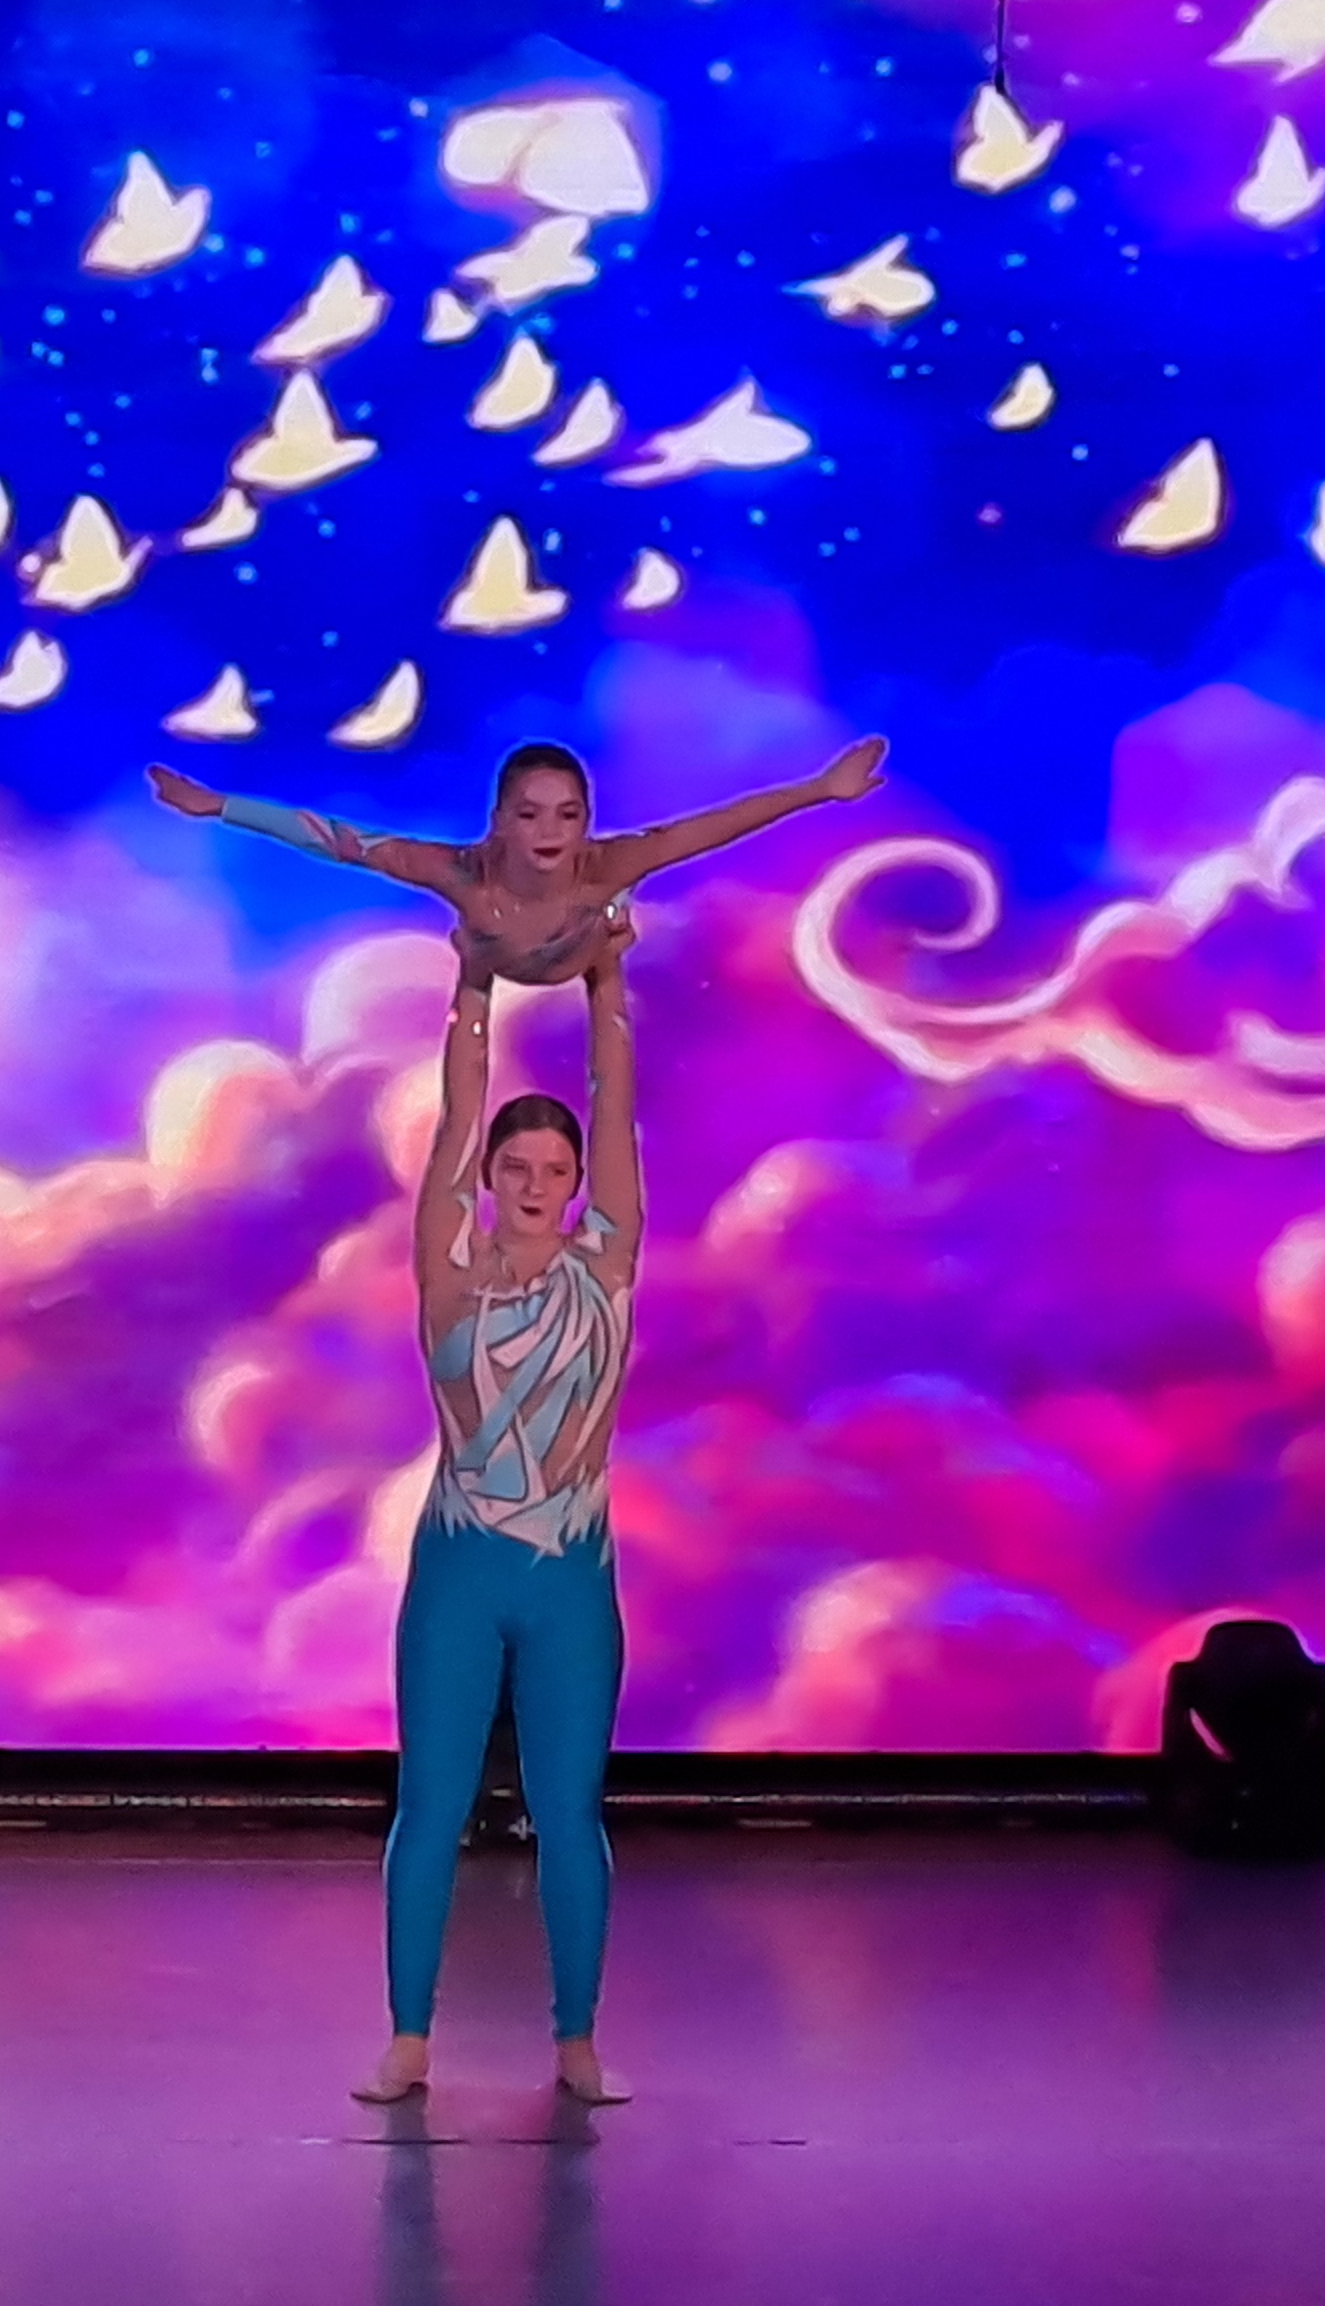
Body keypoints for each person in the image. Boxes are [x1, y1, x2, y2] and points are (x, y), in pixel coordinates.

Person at [358, 909, 644, 2108]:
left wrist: (604, 985)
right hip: (458, 1577)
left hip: (570, 1583)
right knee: (430, 1807)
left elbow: (613, 1107)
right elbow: (453, 1117)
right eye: (513, 1170)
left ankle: (575, 2042)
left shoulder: (606, 1266)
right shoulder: (450, 1275)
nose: (533, 1186)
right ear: (487, 1181)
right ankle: (407, 2040)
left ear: (578, 1188)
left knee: (568, 1812)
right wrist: (472, 990)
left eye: (554, 1173)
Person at [146, 735, 887, 984]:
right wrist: (221, 807)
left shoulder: (608, 864)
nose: (549, 831)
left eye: (567, 815)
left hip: (589, 957)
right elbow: (334, 838)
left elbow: (712, 828)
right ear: (500, 823)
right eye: (530, 814)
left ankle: (614, 939)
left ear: (586, 823)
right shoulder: (458, 872)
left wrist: (820, 789)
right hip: (494, 968)